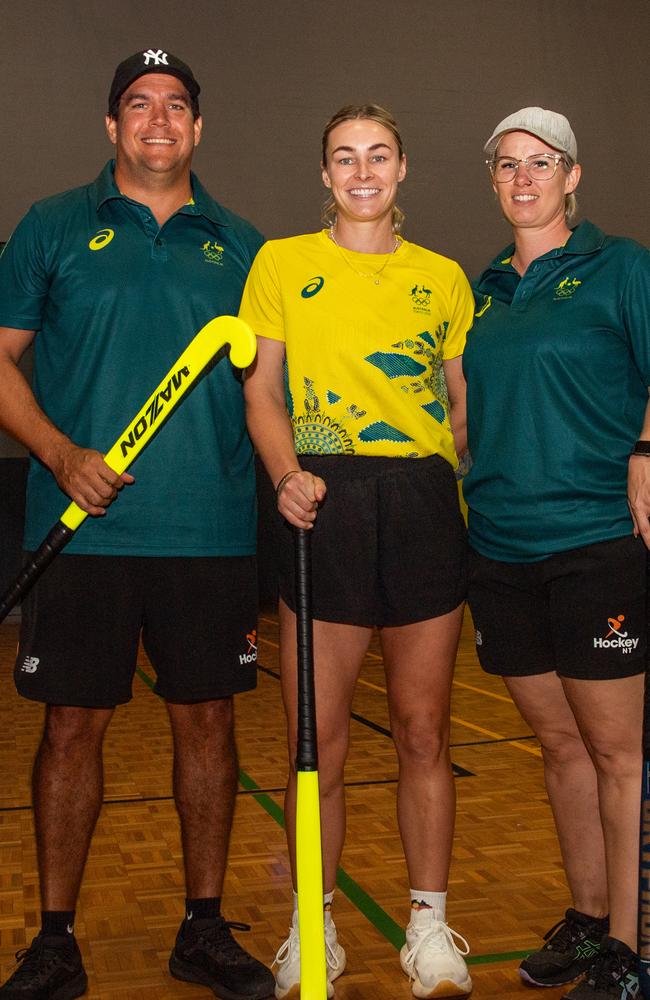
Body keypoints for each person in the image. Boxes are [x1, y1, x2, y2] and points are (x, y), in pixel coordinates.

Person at [0, 48, 274, 1000]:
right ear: (111, 126)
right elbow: (0, 359)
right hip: (82, 531)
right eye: (137, 104)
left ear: (198, 128)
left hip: (210, 532)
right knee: (71, 729)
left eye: (176, 105)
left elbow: (268, 389)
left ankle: (202, 929)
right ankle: (55, 940)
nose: (158, 119)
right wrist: (59, 451)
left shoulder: (244, 246)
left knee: (207, 724)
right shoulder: (52, 227)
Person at [240, 104, 474, 999]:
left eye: (379, 154)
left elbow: (461, 410)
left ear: (403, 168)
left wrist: (446, 489)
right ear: (326, 175)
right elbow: (261, 390)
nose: (363, 170)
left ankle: (428, 924)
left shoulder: (444, 278)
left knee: (422, 732)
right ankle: (314, 924)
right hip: (322, 502)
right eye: (345, 157)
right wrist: (285, 473)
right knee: (318, 743)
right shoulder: (282, 264)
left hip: (419, 502)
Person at [463, 106, 650, 1000]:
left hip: (596, 545)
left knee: (619, 754)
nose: (523, 179)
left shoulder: (624, 269)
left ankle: (629, 943)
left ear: (573, 176)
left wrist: (647, 451)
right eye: (507, 166)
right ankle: (587, 918)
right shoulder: (487, 289)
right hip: (499, 548)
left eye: (542, 163)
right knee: (560, 747)